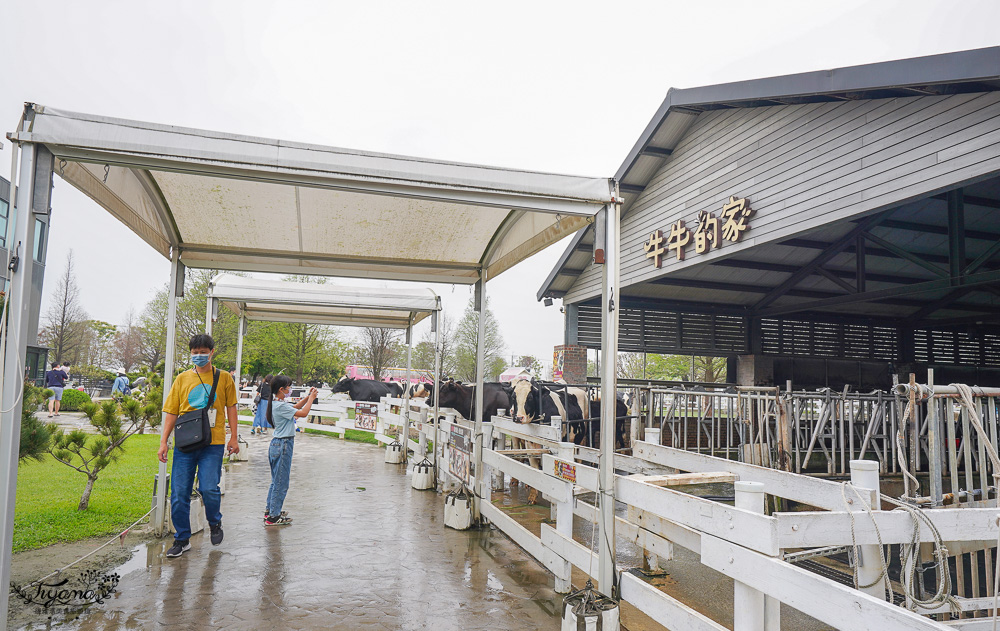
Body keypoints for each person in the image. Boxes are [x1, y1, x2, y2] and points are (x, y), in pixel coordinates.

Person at [158, 334, 239, 558]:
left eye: (203, 352)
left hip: (212, 443)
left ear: (212, 352)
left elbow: (231, 407)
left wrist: (234, 437)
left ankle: (215, 522)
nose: (199, 356)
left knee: (208, 488)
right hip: (185, 443)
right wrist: (164, 441)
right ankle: (182, 538)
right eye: (195, 353)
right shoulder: (182, 379)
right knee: (179, 493)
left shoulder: (223, 378)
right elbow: (172, 411)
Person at [263, 376, 316, 526]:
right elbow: (303, 413)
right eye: (288, 387)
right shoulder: (280, 406)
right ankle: (273, 516)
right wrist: (312, 399)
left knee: (275, 481)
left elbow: (296, 407)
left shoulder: (276, 403)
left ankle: (271, 510)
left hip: (276, 444)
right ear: (281, 389)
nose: (289, 390)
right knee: (281, 482)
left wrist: (307, 397)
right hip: (284, 444)